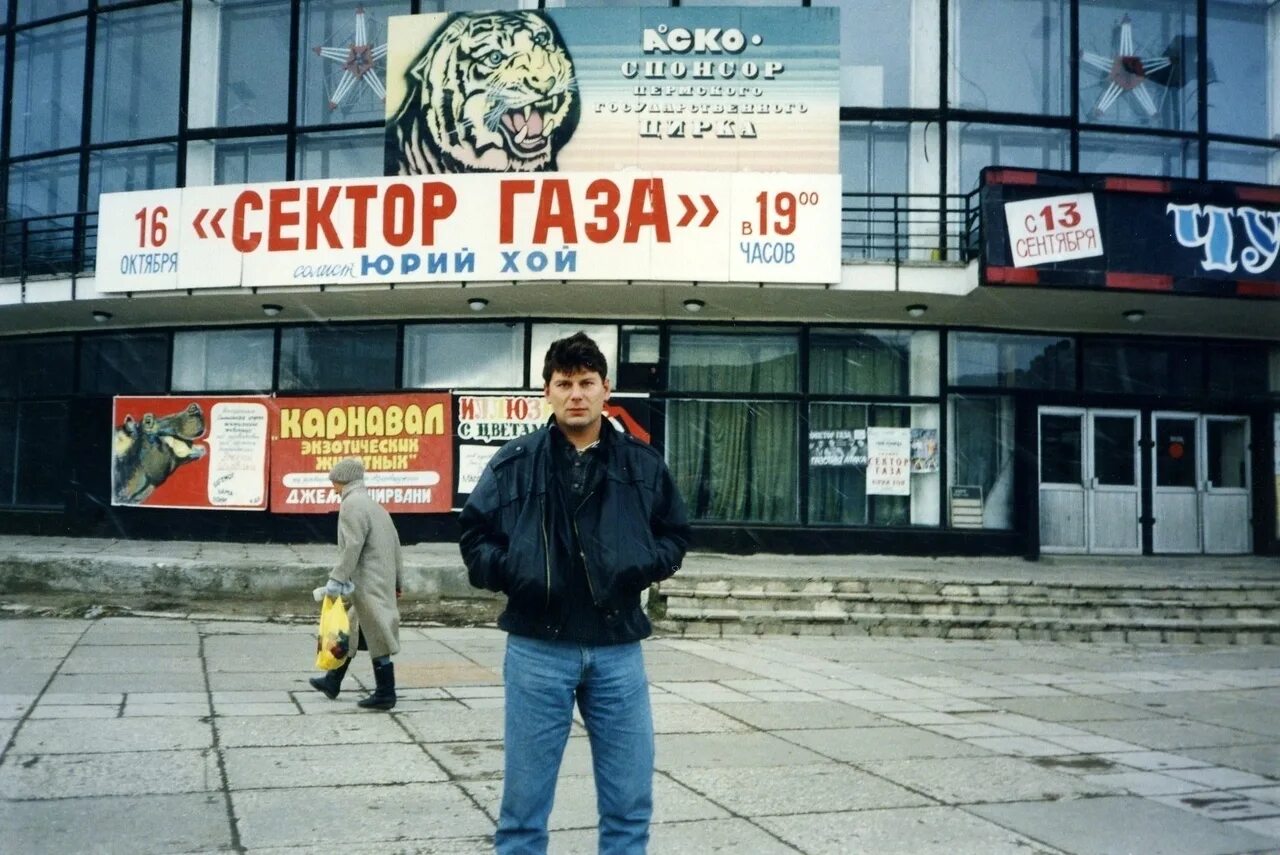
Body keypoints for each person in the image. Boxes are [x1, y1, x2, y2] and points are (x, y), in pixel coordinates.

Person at [460, 332, 690, 855]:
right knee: (522, 812)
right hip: (537, 649)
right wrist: (518, 572)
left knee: (630, 805)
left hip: (617, 650)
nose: (576, 394)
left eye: (587, 382)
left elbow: (675, 534)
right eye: (564, 383)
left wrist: (640, 567)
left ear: (606, 388)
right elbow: (474, 536)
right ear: (547, 391)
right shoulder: (513, 462)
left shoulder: (642, 465)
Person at [309, 456, 403, 711]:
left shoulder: (352, 505)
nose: (333, 488)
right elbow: (395, 546)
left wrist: (336, 579)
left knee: (378, 634)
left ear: (343, 480)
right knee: (351, 629)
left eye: (334, 482)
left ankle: (386, 693)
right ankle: (332, 681)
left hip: (368, 585)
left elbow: (352, 547)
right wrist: (398, 583)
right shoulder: (375, 506)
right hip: (380, 582)